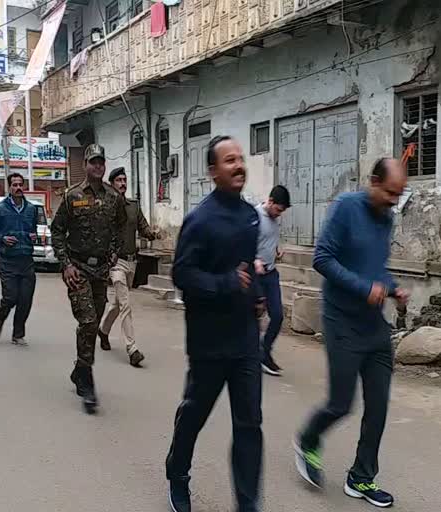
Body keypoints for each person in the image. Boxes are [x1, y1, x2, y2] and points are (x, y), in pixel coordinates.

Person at [293, 157, 410, 508]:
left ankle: (361, 478)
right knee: (341, 404)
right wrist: (363, 288)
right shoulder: (346, 207)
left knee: (378, 407)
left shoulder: (387, 218)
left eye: (399, 194)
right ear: (373, 182)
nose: (394, 200)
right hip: (341, 321)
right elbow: (322, 259)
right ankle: (308, 439)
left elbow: (375, 268)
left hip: (374, 326)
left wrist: (392, 288)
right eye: (390, 192)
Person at [165, 136, 266, 512]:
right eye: (229, 160)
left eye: (240, 159)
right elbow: (181, 274)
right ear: (212, 171)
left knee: (249, 424)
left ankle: (247, 502)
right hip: (208, 342)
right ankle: (177, 472)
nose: (238, 165)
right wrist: (225, 283)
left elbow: (246, 265)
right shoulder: (200, 220)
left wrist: (255, 294)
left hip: (244, 342)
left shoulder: (251, 216)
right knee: (194, 414)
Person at [51, 144, 127, 414]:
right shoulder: (72, 196)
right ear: (85, 164)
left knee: (91, 326)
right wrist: (66, 264)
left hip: (100, 271)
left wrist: (114, 255)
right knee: (88, 320)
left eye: (101, 162)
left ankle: (79, 371)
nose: (97, 166)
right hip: (78, 269)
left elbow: (121, 226)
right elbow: (57, 232)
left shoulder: (113, 197)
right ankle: (88, 382)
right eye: (93, 162)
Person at [98, 167, 160, 368]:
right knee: (125, 304)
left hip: (132, 261)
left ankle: (103, 330)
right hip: (116, 263)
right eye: (119, 180)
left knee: (117, 304)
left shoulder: (133, 206)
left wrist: (153, 234)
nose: (123, 183)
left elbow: (143, 227)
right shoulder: (105, 207)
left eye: (125, 180)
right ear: (112, 183)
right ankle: (132, 349)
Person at [0, 173, 38, 346]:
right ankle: (1, 316)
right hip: (8, 260)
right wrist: (3, 238)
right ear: (9, 187)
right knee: (10, 297)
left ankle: (18, 334)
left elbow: (33, 230)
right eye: (14, 185)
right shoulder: (0, 208)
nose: (18, 188)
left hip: (26, 259)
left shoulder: (32, 209)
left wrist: (34, 236)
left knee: (25, 299)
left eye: (20, 185)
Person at [254, 185, 290, 376]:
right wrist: (254, 260)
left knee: (277, 316)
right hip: (256, 275)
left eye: (282, 212)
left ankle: (264, 353)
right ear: (270, 201)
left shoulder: (276, 218)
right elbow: (245, 243)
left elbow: (272, 237)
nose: (279, 214)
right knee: (254, 316)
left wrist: (277, 248)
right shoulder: (254, 216)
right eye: (278, 210)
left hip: (271, 273)